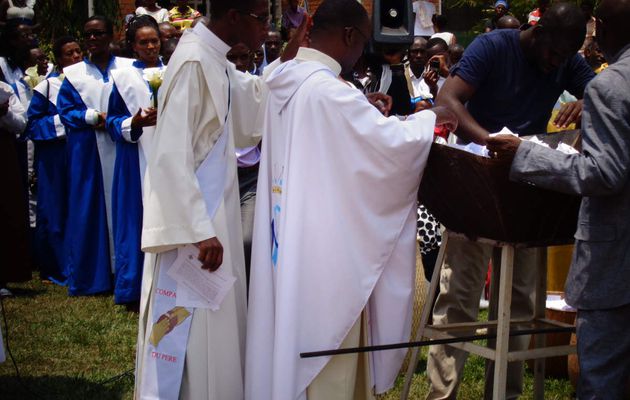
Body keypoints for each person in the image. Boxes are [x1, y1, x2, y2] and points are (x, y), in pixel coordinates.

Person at [244, 1, 457, 399]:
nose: (362, 54)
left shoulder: (284, 78)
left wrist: (366, 108)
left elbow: (335, 143)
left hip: (288, 233)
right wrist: (432, 117)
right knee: (328, 353)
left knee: (290, 331)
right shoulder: (328, 90)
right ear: (348, 36)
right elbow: (388, 149)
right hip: (326, 253)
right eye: (362, 43)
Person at [427, 3, 595, 399]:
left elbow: (604, 92)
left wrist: (588, 103)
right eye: (553, 54)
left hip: (526, 183)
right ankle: (441, 393)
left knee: (522, 300)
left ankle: (506, 393)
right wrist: (489, 140)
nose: (556, 65)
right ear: (537, 34)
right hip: (475, 175)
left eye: (565, 58)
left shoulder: (564, 60)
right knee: (461, 295)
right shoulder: (492, 47)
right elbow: (449, 98)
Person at [134, 0, 301, 398]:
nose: (265, 30)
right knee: (189, 331)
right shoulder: (194, 62)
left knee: (215, 327)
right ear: (233, 16)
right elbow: (171, 152)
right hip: (197, 230)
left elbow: (256, 97)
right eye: (261, 19)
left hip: (213, 216)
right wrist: (198, 230)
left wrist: (296, 48)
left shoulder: (215, 59)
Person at [487, 2, 630, 397]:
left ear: (599, 29)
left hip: (615, 267)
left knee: (602, 380)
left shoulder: (610, 86)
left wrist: (526, 154)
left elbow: (604, 173)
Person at [56, 16, 134, 297]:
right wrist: (90, 116)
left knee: (125, 206)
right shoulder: (75, 74)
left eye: (98, 34)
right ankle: (95, 275)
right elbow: (65, 110)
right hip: (90, 150)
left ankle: (126, 272)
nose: (92, 40)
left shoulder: (127, 67)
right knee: (90, 208)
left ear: (109, 35)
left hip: (124, 146)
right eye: (87, 35)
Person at [105, 15, 162, 307]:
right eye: (144, 42)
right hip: (135, 155)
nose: (151, 46)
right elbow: (113, 121)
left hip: (167, 154)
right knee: (135, 216)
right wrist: (135, 122)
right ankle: (134, 286)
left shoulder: (174, 70)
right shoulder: (123, 78)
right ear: (133, 46)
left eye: (154, 40)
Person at [24, 36, 81, 286]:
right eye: (69, 53)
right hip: (55, 156)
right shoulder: (47, 87)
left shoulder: (87, 81)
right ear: (59, 59)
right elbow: (33, 125)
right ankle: (58, 267)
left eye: (79, 51)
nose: (76, 56)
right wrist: (64, 122)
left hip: (81, 152)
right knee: (56, 210)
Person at [0, 80, 30, 297]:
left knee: (5, 211)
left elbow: (21, 124)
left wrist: (4, 114)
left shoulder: (5, 89)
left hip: (3, 154)